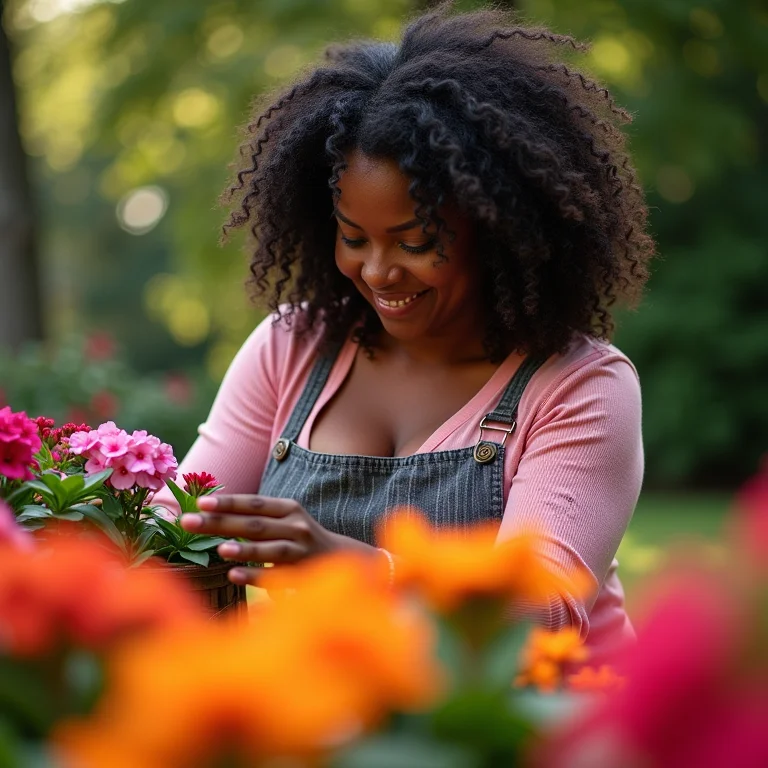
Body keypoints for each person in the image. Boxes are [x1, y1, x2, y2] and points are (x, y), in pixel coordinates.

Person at [155, 4, 655, 663]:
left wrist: (347, 565)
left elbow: (533, 620)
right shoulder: (292, 347)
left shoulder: (580, 385)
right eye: (353, 238)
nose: (379, 271)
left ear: (498, 227)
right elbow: (182, 519)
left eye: (417, 241)